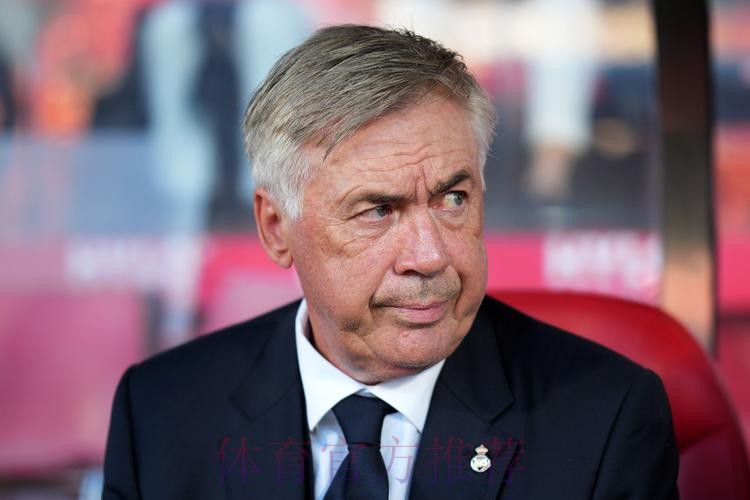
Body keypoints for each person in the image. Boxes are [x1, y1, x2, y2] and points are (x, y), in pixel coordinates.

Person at [103, 25, 678, 499]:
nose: (430, 257)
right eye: (378, 211)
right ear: (277, 229)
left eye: (454, 199)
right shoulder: (160, 412)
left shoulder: (607, 420)